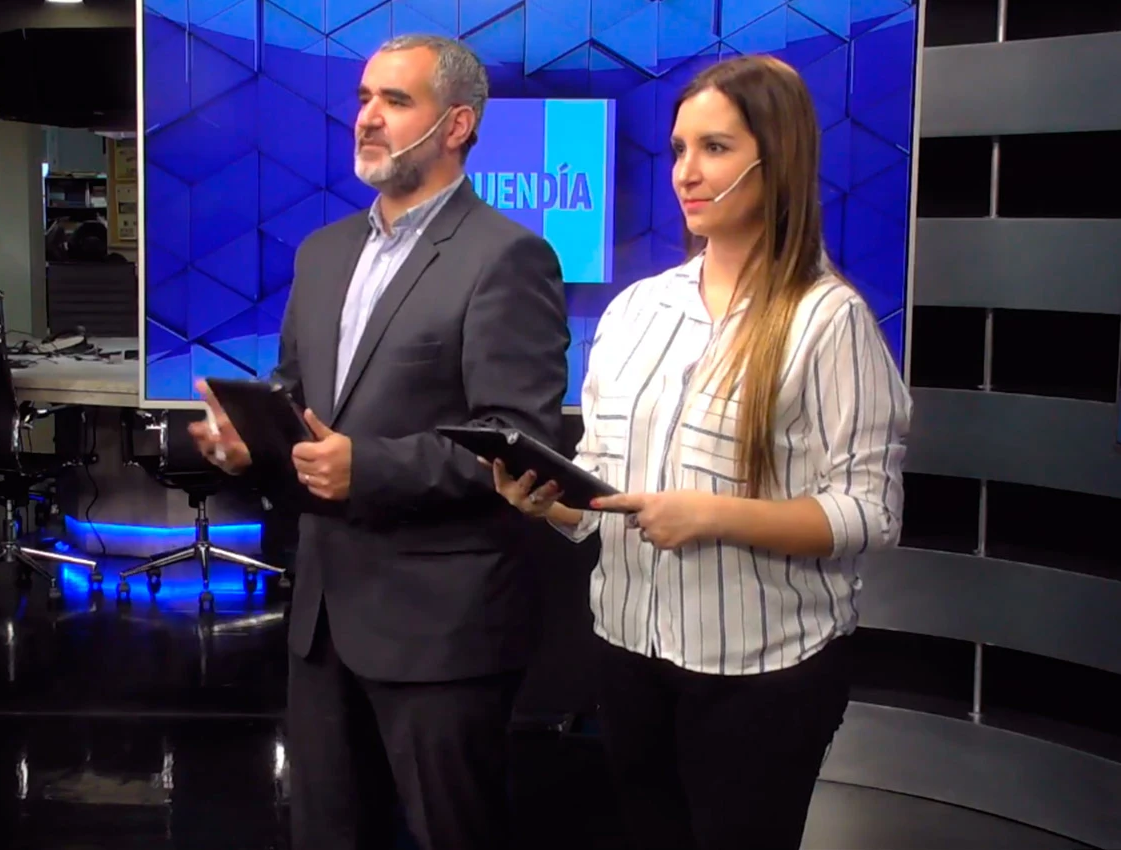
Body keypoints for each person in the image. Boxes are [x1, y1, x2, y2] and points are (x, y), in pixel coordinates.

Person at [491, 55, 912, 849]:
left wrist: (714, 516)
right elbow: (606, 495)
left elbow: (870, 514)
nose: (686, 171)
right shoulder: (636, 311)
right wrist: (553, 505)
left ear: (776, 158)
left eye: (715, 148)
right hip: (627, 653)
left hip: (763, 671)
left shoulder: (829, 321)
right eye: (680, 149)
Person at [189, 34, 570, 850]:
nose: (367, 117)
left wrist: (369, 468)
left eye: (396, 101)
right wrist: (249, 440)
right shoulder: (323, 253)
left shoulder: (507, 257)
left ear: (458, 124)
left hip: (441, 628)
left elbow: (519, 437)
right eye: (364, 98)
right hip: (323, 619)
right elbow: (298, 398)